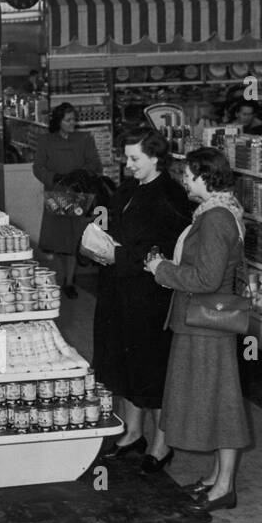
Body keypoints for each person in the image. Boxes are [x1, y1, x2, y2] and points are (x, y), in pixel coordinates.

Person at [145, 147, 252, 515]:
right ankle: (216, 478)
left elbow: (205, 279)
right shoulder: (216, 212)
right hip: (203, 323)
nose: (185, 180)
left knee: (222, 405)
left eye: (189, 174)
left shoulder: (216, 218)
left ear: (207, 176)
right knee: (216, 402)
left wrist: (161, 269)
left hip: (206, 324)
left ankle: (225, 488)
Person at [91, 127, 193, 474]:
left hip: (150, 298)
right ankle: (133, 432)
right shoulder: (130, 188)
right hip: (120, 290)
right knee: (124, 363)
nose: (128, 164)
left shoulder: (171, 195)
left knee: (153, 370)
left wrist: (118, 257)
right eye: (126, 157)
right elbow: (114, 227)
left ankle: (163, 444)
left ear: (155, 158)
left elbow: (165, 252)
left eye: (135, 158)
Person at [33, 103, 104, 299]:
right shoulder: (45, 140)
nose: (73, 123)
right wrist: (53, 177)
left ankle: (69, 281)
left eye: (74, 119)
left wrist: (81, 174)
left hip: (77, 195)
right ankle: (61, 278)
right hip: (56, 194)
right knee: (57, 242)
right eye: (68, 120)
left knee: (72, 241)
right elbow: (38, 167)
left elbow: (96, 165)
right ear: (58, 121)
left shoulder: (85, 139)